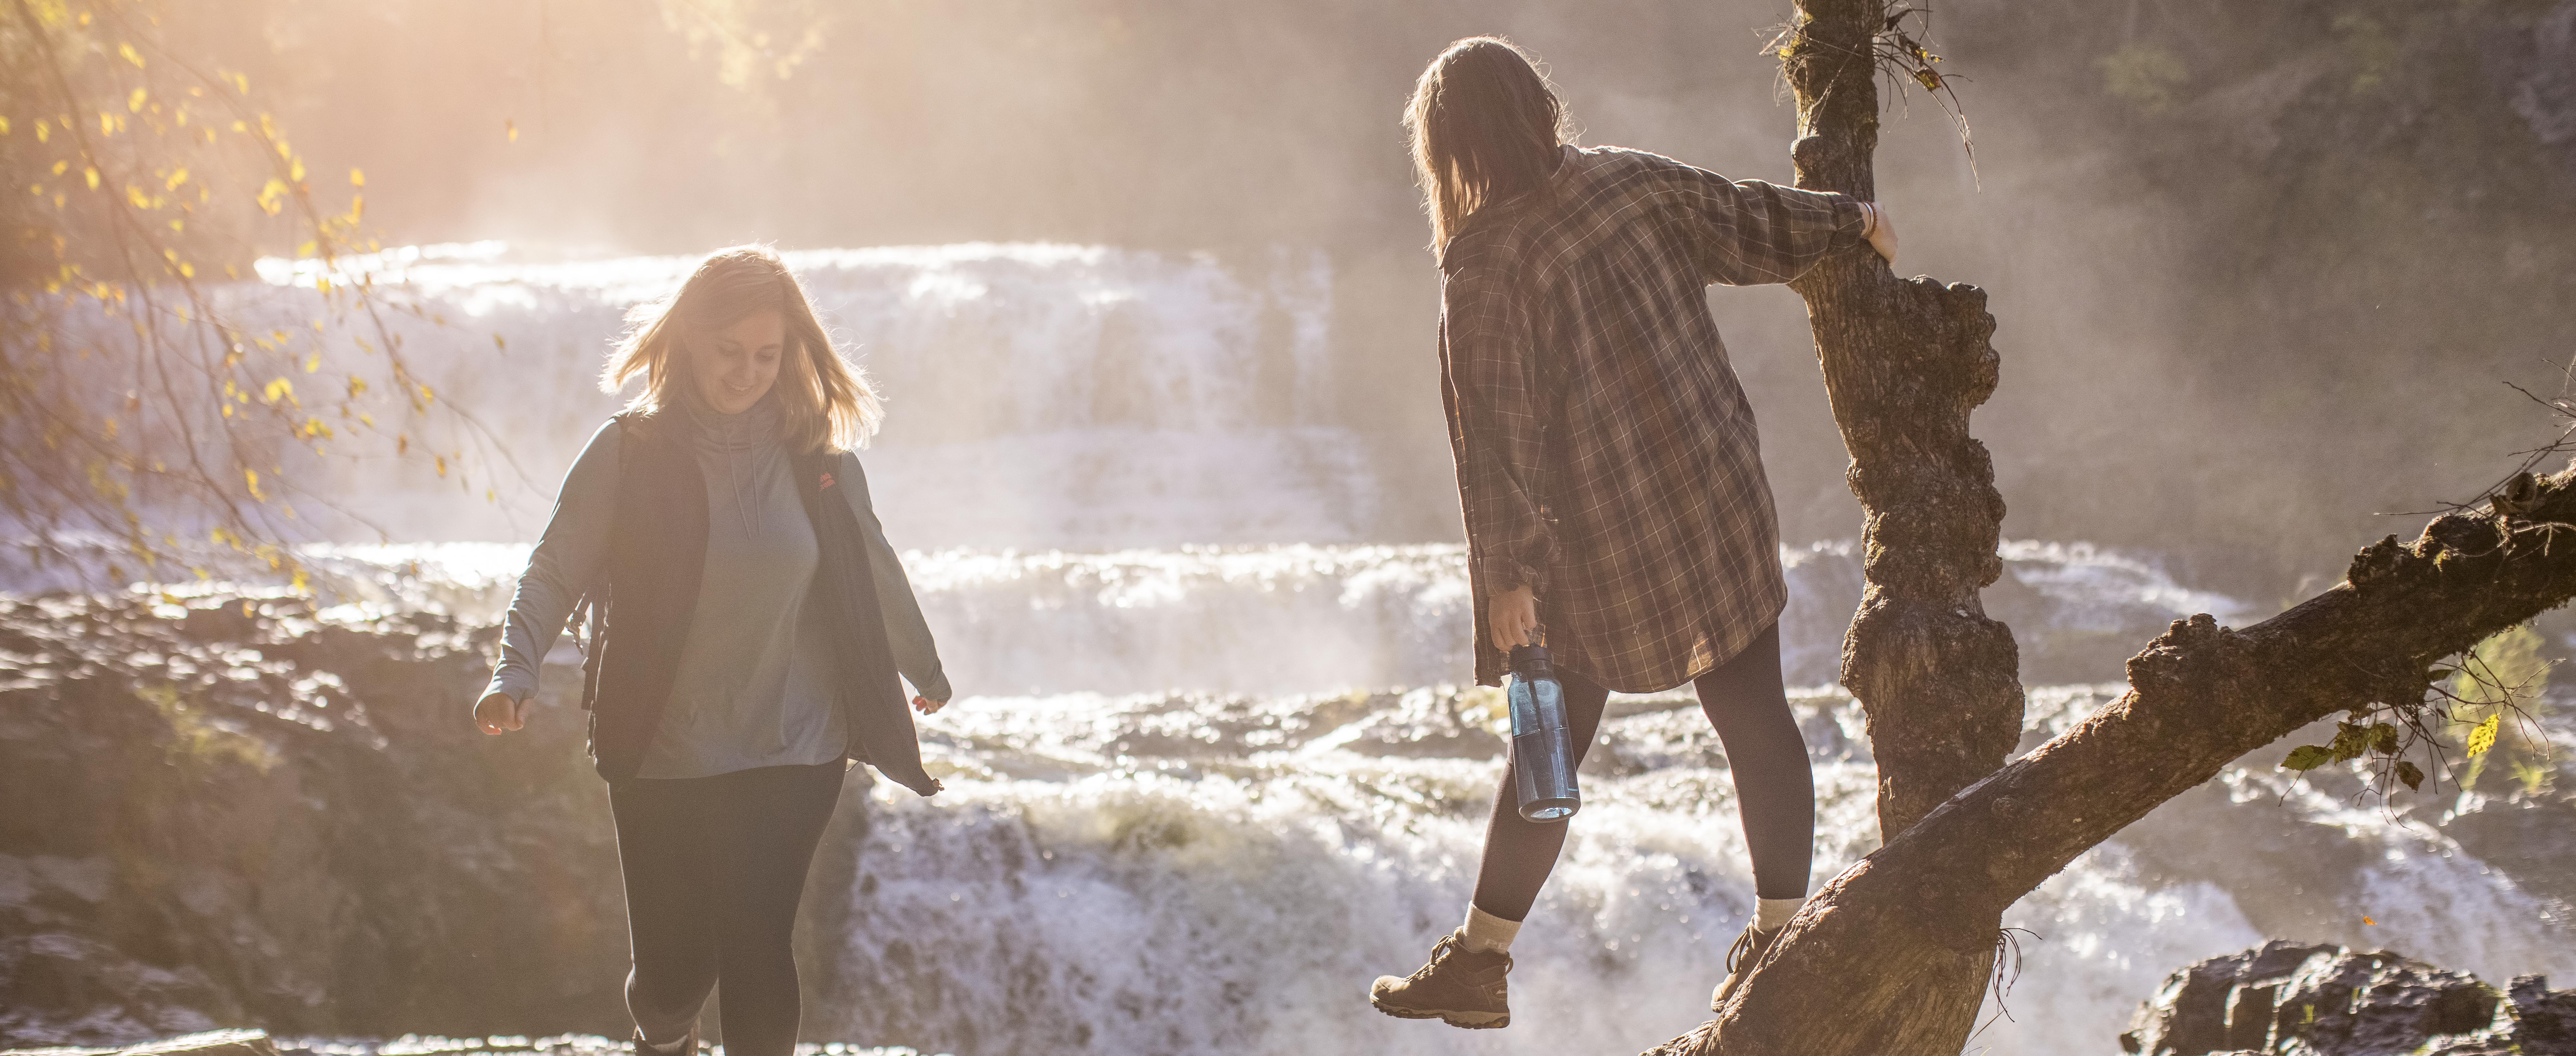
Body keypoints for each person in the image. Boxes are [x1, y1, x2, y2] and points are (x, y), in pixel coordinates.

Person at [1366, 37, 1899, 1029]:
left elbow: (1496, 440)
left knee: (1546, 748)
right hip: (1714, 489)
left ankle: (1481, 961)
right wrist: (1853, 218)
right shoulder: (1627, 183)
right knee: (1753, 712)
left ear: (1452, 147)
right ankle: (1781, 925)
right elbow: (1753, 218)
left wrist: (1507, 578)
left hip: (1598, 541)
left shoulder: (1484, 263)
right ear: (1536, 111)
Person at [471, 245, 953, 1056]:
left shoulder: (822, 464)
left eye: (767, 355)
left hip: (795, 741)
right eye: (730, 351)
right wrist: (513, 672)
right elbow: (555, 568)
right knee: (674, 969)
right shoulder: (629, 452)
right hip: (665, 741)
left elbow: (872, 569)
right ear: (690, 340)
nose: (747, 372)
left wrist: (925, 668)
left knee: (759, 939)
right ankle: (662, 1035)